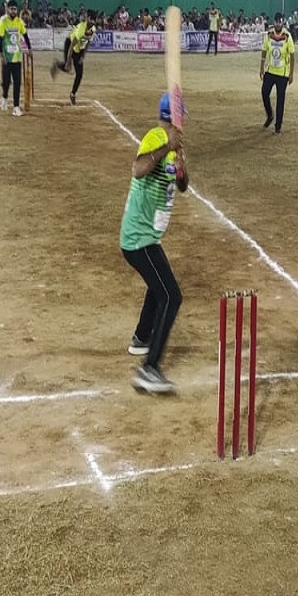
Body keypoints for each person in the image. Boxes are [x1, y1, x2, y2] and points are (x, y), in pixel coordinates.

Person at [121, 93, 189, 395]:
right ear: (174, 117)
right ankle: (149, 369)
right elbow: (138, 168)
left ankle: (141, 338)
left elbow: (182, 186)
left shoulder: (173, 145)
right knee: (171, 296)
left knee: (158, 284)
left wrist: (182, 167)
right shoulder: (156, 137)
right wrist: (167, 147)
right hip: (138, 238)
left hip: (148, 236)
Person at [260, 13, 295, 134]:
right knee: (264, 92)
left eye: (280, 22)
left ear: (282, 23)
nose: (278, 25)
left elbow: (292, 55)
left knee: (280, 100)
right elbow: (264, 50)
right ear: (274, 23)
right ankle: (270, 115)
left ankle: (278, 127)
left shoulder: (287, 36)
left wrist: (291, 73)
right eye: (276, 22)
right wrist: (261, 67)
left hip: (282, 74)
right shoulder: (269, 35)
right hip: (270, 71)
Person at [52, 11, 97, 105]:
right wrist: (68, 61)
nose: (93, 22)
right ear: (87, 18)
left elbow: (88, 43)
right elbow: (72, 46)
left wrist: (83, 57)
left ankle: (73, 94)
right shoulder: (81, 29)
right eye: (91, 19)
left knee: (79, 74)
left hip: (80, 49)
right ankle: (57, 65)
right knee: (67, 68)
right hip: (70, 44)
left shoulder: (93, 29)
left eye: (94, 20)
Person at [0, 1, 31, 116]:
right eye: (11, 9)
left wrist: (29, 49)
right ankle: (4, 96)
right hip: (7, 58)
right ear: (7, 9)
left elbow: (25, 35)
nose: (13, 11)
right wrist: (1, 55)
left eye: (15, 9)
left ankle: (16, 107)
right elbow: (0, 39)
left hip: (17, 57)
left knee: (17, 82)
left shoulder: (19, 22)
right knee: (6, 82)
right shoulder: (3, 21)